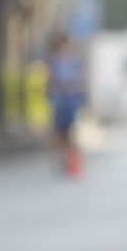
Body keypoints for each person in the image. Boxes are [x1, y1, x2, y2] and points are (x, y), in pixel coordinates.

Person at [45, 34, 88, 176]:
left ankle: (70, 161)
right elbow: (50, 80)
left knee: (70, 132)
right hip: (59, 100)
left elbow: (80, 80)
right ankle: (56, 159)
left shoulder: (74, 61)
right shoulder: (54, 61)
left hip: (71, 99)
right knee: (58, 132)